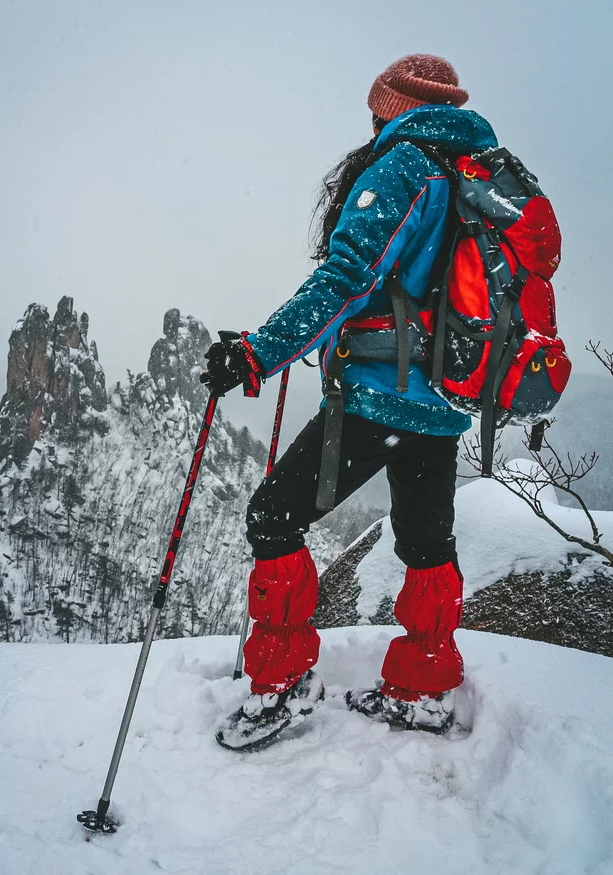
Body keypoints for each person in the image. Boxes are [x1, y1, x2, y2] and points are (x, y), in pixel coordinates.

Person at [200, 54, 498, 751]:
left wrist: (256, 353)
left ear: (390, 109)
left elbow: (346, 277)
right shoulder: (471, 169)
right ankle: (425, 684)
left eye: (375, 112)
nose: (369, 124)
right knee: (427, 542)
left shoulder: (404, 167)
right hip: (447, 396)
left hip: (383, 397)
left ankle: (284, 686)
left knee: (273, 515)